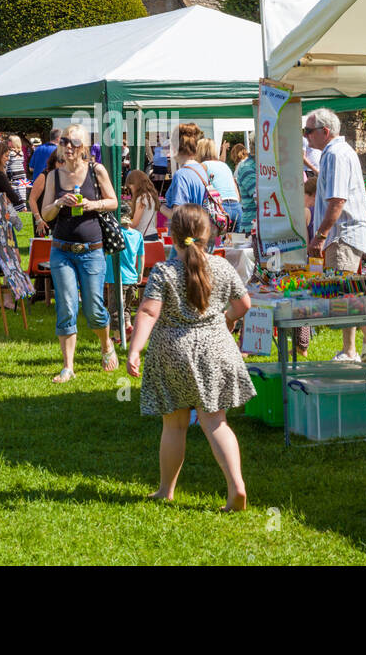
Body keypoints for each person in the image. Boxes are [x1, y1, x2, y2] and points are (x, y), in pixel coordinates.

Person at [125, 204, 253, 511]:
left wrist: (134, 349)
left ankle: (165, 490)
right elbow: (244, 304)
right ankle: (236, 486)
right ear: (208, 235)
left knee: (175, 425)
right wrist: (228, 318)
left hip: (173, 353)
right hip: (216, 349)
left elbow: (148, 311)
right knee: (216, 423)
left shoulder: (164, 272)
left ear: (171, 236)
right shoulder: (222, 267)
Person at [39, 123, 118, 382]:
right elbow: (45, 214)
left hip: (91, 251)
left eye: (73, 142)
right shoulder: (53, 176)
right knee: (66, 307)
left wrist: (92, 205)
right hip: (61, 250)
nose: (68, 146)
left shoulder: (96, 171)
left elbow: (114, 202)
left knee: (94, 308)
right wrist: (59, 203)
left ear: (83, 147)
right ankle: (68, 366)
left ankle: (106, 345)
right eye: (64, 142)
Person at [304, 109, 366, 360]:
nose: (306, 136)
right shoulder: (336, 153)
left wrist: (320, 235)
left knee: (344, 293)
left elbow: (337, 200)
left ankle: (356, 347)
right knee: (344, 292)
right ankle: (363, 341)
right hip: (343, 232)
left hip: (341, 233)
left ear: (325, 132)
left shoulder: (335, 153)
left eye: (309, 131)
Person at [161, 124, 216, 247]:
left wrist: (160, 208)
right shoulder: (202, 170)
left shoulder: (181, 175)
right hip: (201, 237)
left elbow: (178, 215)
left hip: (184, 242)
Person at [197, 137, 241, 234]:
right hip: (236, 208)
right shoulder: (224, 166)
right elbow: (236, 192)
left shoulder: (202, 166)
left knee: (215, 246)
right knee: (234, 246)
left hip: (219, 210)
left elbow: (198, 190)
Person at [123, 169, 161, 240]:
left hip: (144, 236)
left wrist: (122, 225)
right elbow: (155, 222)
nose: (131, 190)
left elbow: (134, 223)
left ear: (136, 184)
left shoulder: (142, 198)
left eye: (130, 187)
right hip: (153, 234)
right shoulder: (152, 196)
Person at [29, 152, 59, 237]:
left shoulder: (63, 175)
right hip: (42, 220)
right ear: (54, 162)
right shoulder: (44, 176)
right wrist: (38, 219)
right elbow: (32, 199)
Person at [5, 134, 29, 210]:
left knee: (14, 192)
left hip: (13, 175)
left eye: (9, 140)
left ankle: (18, 207)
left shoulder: (10, 153)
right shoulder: (21, 153)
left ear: (13, 142)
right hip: (22, 175)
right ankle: (23, 207)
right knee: (22, 193)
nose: (7, 142)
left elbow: (6, 164)